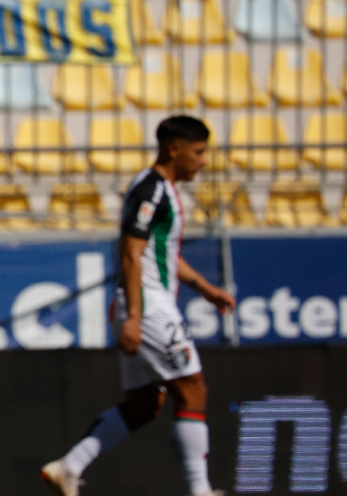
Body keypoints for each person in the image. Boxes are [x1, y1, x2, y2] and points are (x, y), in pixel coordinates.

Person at [40, 116, 237, 496]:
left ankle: (69, 466)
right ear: (174, 148)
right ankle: (199, 490)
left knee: (145, 404)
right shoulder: (152, 190)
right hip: (147, 307)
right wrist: (135, 315)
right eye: (198, 153)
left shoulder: (161, 189)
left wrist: (204, 287)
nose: (203, 161)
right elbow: (131, 253)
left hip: (141, 306)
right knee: (193, 390)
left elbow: (160, 250)